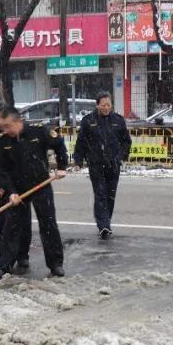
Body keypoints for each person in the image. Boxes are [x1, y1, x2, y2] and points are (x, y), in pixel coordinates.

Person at [0, 106, 68, 279]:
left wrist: (62, 167)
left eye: (8, 126)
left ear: (19, 121)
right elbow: (0, 170)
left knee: (48, 225)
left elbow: (59, 144)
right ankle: (5, 265)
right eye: (3, 127)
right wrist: (10, 192)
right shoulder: (2, 141)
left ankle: (55, 264)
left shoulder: (38, 132)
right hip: (18, 190)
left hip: (41, 185)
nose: (6, 130)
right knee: (12, 227)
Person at [73, 92, 132, 239]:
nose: (106, 107)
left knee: (110, 195)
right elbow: (81, 142)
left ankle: (106, 221)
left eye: (108, 104)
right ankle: (103, 225)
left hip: (113, 164)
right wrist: (78, 160)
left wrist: (120, 157)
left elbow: (126, 141)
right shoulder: (89, 121)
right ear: (97, 105)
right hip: (96, 164)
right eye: (103, 105)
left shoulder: (118, 120)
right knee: (100, 194)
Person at [0, 102, 28, 268]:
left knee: (22, 221)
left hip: (19, 185)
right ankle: (4, 257)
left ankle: (22, 255)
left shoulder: (15, 132)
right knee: (1, 222)